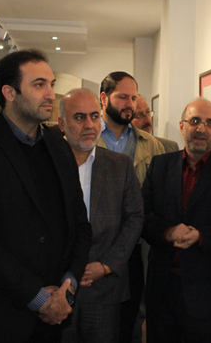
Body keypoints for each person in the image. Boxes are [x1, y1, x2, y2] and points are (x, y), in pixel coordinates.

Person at [0, 49, 91, 343]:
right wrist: (40, 299)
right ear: (9, 93)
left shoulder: (59, 147)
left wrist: (68, 285)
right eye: (39, 84)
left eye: (51, 84)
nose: (50, 94)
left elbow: (80, 225)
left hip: (53, 318)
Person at [142, 97, 211, 343]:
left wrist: (201, 236)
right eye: (194, 121)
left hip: (208, 298)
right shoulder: (160, 165)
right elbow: (143, 216)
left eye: (209, 123)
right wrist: (168, 231)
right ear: (182, 125)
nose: (201, 129)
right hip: (161, 292)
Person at [59, 89, 143, 343]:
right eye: (79, 117)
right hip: (56, 288)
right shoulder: (45, 164)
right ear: (62, 123)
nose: (89, 125)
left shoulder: (120, 165)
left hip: (105, 291)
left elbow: (134, 218)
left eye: (95, 116)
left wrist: (106, 266)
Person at [97, 71, 165, 343]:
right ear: (104, 98)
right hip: (95, 251)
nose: (130, 104)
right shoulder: (85, 139)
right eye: (123, 97)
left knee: (129, 324)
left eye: (134, 98)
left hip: (136, 251)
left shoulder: (152, 145)